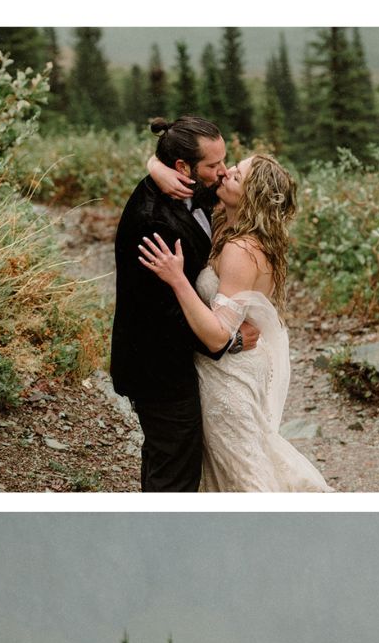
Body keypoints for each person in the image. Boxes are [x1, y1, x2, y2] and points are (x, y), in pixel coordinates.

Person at [137, 148, 329, 491]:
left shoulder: (240, 250)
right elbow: (188, 179)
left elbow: (217, 337)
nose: (225, 174)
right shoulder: (239, 231)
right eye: (231, 167)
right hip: (235, 367)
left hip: (228, 377)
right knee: (241, 465)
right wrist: (154, 165)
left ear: (251, 198)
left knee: (243, 474)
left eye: (236, 176)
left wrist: (177, 278)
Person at [110, 116, 265, 491]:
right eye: (214, 165)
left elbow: (243, 192)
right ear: (183, 167)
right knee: (175, 469)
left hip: (177, 363)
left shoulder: (195, 186)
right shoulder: (154, 222)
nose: (223, 171)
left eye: (224, 161)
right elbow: (164, 313)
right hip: (158, 367)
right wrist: (228, 340)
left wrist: (153, 165)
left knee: (170, 459)